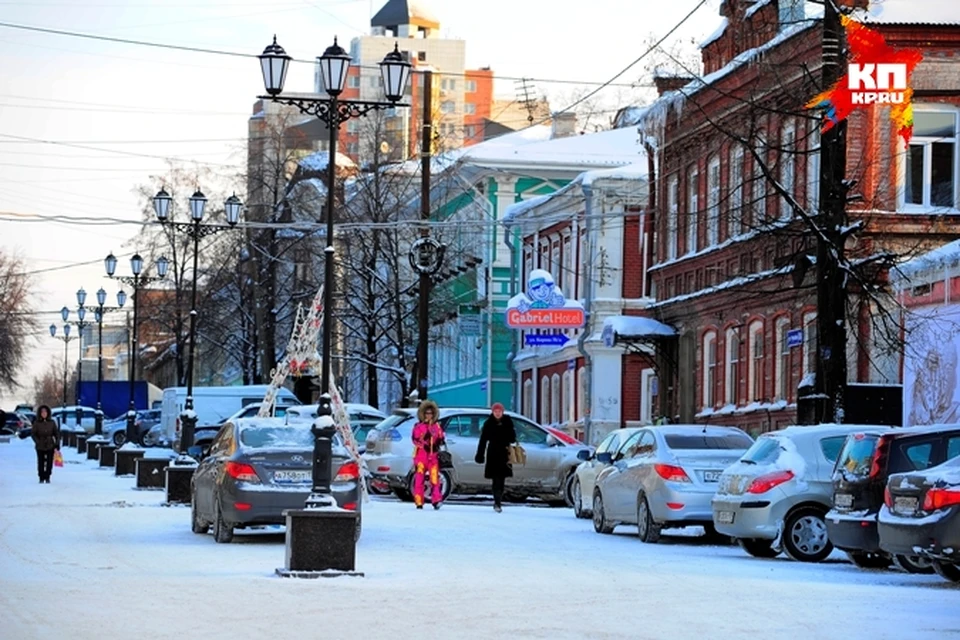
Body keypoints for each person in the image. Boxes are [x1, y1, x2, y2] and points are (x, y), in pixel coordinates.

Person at [475, 402, 517, 513]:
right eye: (495, 411)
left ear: (502, 412)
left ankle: (499, 500)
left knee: (502, 478)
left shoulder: (508, 422)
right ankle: (497, 502)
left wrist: (509, 430)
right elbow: (483, 440)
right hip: (493, 453)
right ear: (492, 412)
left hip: (504, 453)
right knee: (495, 479)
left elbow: (512, 438)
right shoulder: (488, 423)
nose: (497, 413)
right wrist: (480, 455)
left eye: (499, 411)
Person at [411, 399, 445, 510]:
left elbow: (441, 437)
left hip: (433, 457)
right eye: (427, 413)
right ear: (423, 414)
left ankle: (436, 500)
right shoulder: (418, 426)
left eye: (431, 413)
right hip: (421, 456)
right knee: (419, 479)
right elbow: (415, 439)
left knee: (434, 478)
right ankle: (419, 501)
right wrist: (424, 441)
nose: (429, 415)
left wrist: (439, 442)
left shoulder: (437, 426)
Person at [31, 405, 60, 484]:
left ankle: (47, 476)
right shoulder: (37, 423)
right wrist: (37, 441)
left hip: (50, 444)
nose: (44, 413)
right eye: (42, 412)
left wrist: (57, 444)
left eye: (45, 412)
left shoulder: (52, 422)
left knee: (49, 462)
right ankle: (41, 476)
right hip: (40, 445)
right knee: (41, 461)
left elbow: (56, 434)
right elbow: (33, 434)